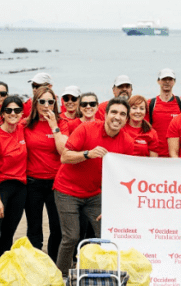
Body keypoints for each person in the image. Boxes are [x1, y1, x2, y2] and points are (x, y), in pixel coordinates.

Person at [53, 98, 135, 274]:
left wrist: (110, 207)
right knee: (72, 236)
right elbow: (64, 157)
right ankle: (62, 278)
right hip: (67, 190)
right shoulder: (86, 129)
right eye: (113, 112)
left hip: (95, 194)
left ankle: (101, 276)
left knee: (105, 235)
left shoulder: (127, 142)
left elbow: (122, 178)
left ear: (126, 120)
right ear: (105, 115)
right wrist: (87, 154)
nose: (117, 117)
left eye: (122, 114)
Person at [0, 96, 28, 265]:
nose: (13, 113)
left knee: (8, 233)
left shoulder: (22, 128)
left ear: (22, 113)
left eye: (17, 110)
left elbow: (37, 108)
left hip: (20, 189)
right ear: (2, 113)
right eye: (8, 110)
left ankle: (2, 269)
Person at [24, 87, 66, 262]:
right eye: (42, 101)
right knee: (34, 228)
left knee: (57, 227)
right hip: (32, 183)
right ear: (35, 103)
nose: (46, 105)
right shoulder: (26, 124)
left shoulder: (62, 123)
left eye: (50, 102)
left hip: (55, 183)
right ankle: (36, 263)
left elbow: (63, 151)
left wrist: (54, 126)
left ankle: (54, 262)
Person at [149, 69, 181, 157]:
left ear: (174, 82)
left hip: (176, 157)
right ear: (158, 81)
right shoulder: (151, 104)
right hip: (156, 156)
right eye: (164, 79)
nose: (167, 82)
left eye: (170, 79)